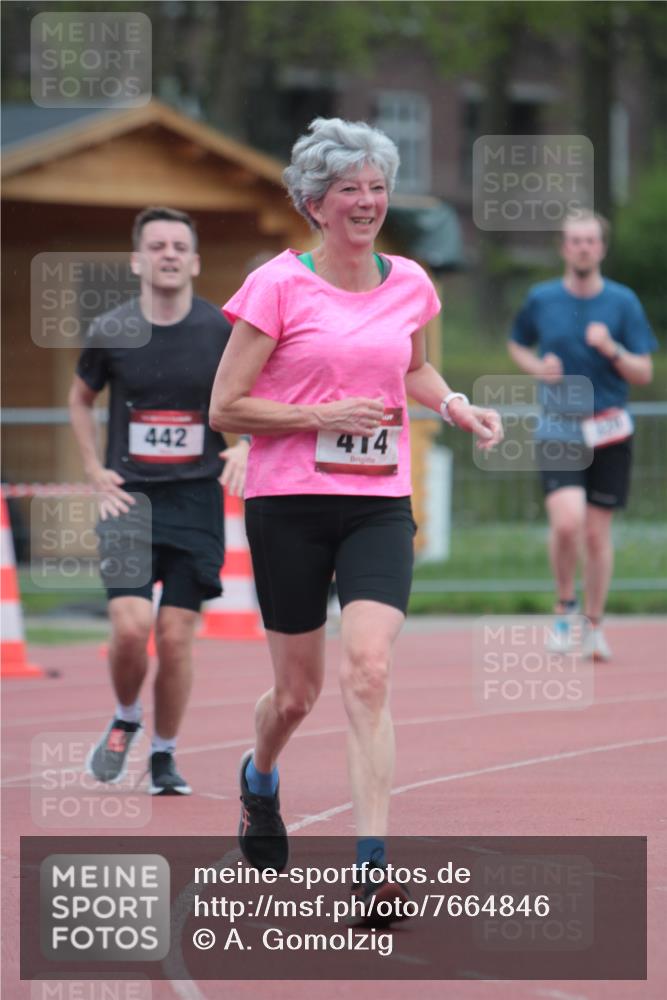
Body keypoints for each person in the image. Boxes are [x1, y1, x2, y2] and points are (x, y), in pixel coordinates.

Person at [209, 118, 503, 918]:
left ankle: (369, 870)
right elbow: (224, 406)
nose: (367, 202)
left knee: (368, 671)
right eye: (349, 190)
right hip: (289, 504)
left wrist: (452, 402)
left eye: (376, 188)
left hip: (377, 503)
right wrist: (319, 417)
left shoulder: (408, 280)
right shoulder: (277, 284)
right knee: (296, 695)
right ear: (314, 202)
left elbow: (410, 364)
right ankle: (258, 775)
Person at [69, 206, 248, 795]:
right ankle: (126, 716)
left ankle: (165, 756)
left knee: (174, 636)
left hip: (195, 502)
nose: (168, 254)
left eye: (178, 246)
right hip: (129, 503)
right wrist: (95, 468)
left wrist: (245, 445)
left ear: (194, 261)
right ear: (137, 259)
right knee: (129, 626)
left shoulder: (221, 331)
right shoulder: (112, 330)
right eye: (156, 245)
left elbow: (248, 396)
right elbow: (80, 399)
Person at [508, 210, 656, 660]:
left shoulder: (623, 303)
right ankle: (563, 607)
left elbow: (645, 371)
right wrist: (538, 368)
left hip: (610, 428)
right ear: (563, 248)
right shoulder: (541, 298)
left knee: (596, 534)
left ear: (602, 248)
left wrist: (612, 349)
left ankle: (593, 624)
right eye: (575, 240)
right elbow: (517, 342)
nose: (584, 248)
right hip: (559, 423)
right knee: (567, 522)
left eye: (591, 240)